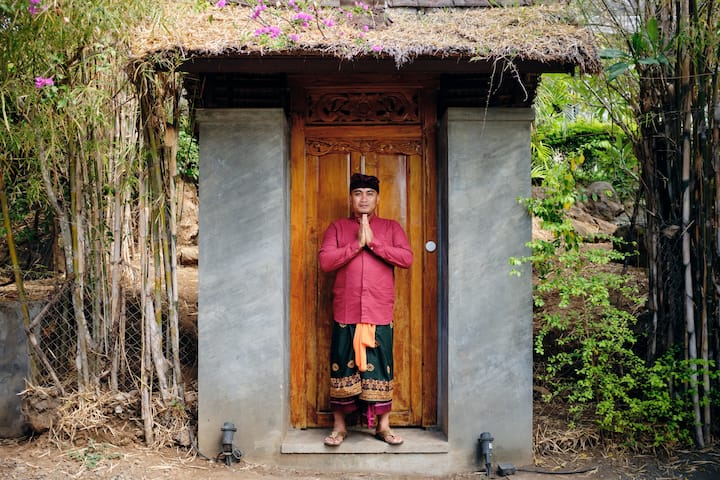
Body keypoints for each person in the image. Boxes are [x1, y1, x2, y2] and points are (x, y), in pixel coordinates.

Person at [318, 173, 413, 447]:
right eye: (358, 193)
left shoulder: (391, 227)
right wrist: (356, 244)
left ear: (377, 198)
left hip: (378, 311)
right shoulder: (337, 228)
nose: (363, 198)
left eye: (369, 193)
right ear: (351, 198)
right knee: (341, 367)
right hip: (345, 312)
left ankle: (383, 426)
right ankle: (339, 427)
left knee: (381, 368)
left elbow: (406, 258)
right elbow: (326, 261)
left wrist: (373, 243)